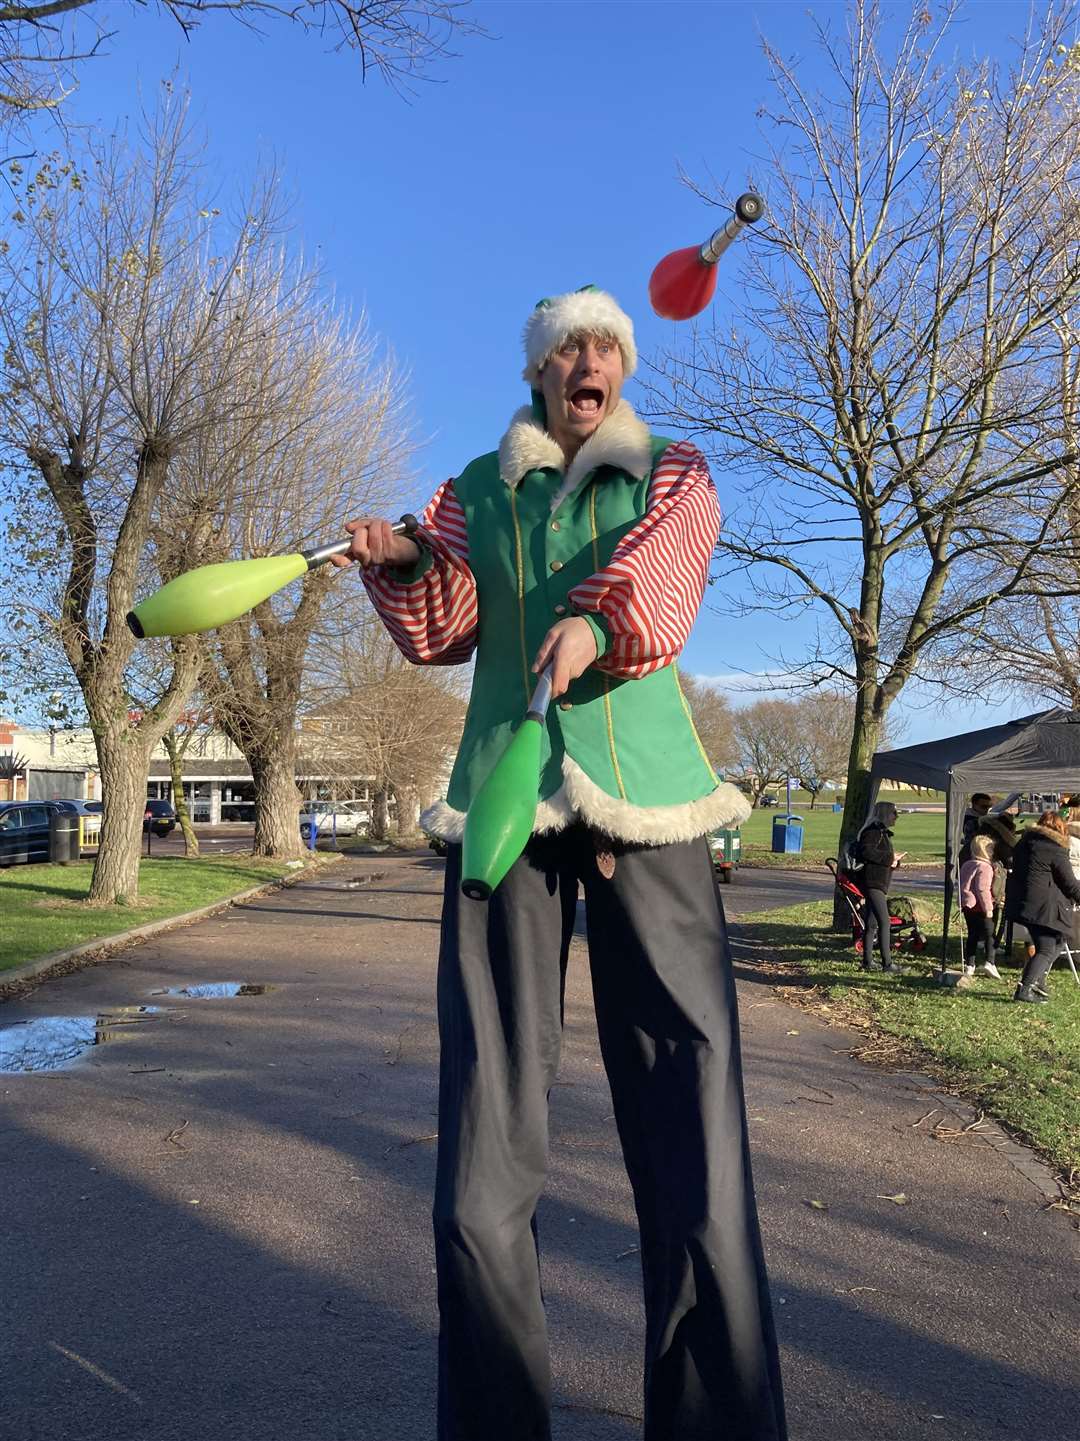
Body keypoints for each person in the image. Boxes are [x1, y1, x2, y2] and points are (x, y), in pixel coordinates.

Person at [334, 287, 787, 1441]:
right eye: (568, 348)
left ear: (622, 369)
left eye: (607, 347)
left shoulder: (671, 469)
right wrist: (395, 563)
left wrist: (597, 620)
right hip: (504, 803)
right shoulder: (475, 489)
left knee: (691, 1119)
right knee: (486, 1135)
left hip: (650, 804)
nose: (590, 362)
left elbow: (664, 565)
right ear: (539, 372)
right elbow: (445, 625)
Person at [1003, 810, 1080, 1004]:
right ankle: (1024, 989)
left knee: (1060, 939)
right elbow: (1069, 883)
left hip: (1024, 902)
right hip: (1041, 907)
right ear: (1060, 828)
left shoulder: (1025, 843)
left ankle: (1038, 980)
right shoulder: (1054, 848)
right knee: (1046, 947)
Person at [854, 801, 906, 973]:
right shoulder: (874, 831)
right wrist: (890, 858)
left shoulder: (881, 832)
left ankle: (868, 962)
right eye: (893, 813)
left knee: (871, 924)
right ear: (885, 814)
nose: (896, 816)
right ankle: (887, 964)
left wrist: (893, 860)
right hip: (873, 882)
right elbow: (867, 852)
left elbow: (878, 856)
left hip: (876, 882)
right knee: (884, 922)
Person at [958, 833, 1002, 978]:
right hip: (981, 907)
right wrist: (988, 908)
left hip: (967, 906)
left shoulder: (966, 864)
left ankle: (970, 964)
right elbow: (982, 889)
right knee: (990, 935)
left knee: (973, 935)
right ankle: (990, 962)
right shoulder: (985, 867)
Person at [958, 792, 993, 866]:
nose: (987, 809)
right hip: (974, 855)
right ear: (974, 805)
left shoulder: (979, 818)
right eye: (983, 806)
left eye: (989, 806)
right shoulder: (971, 820)